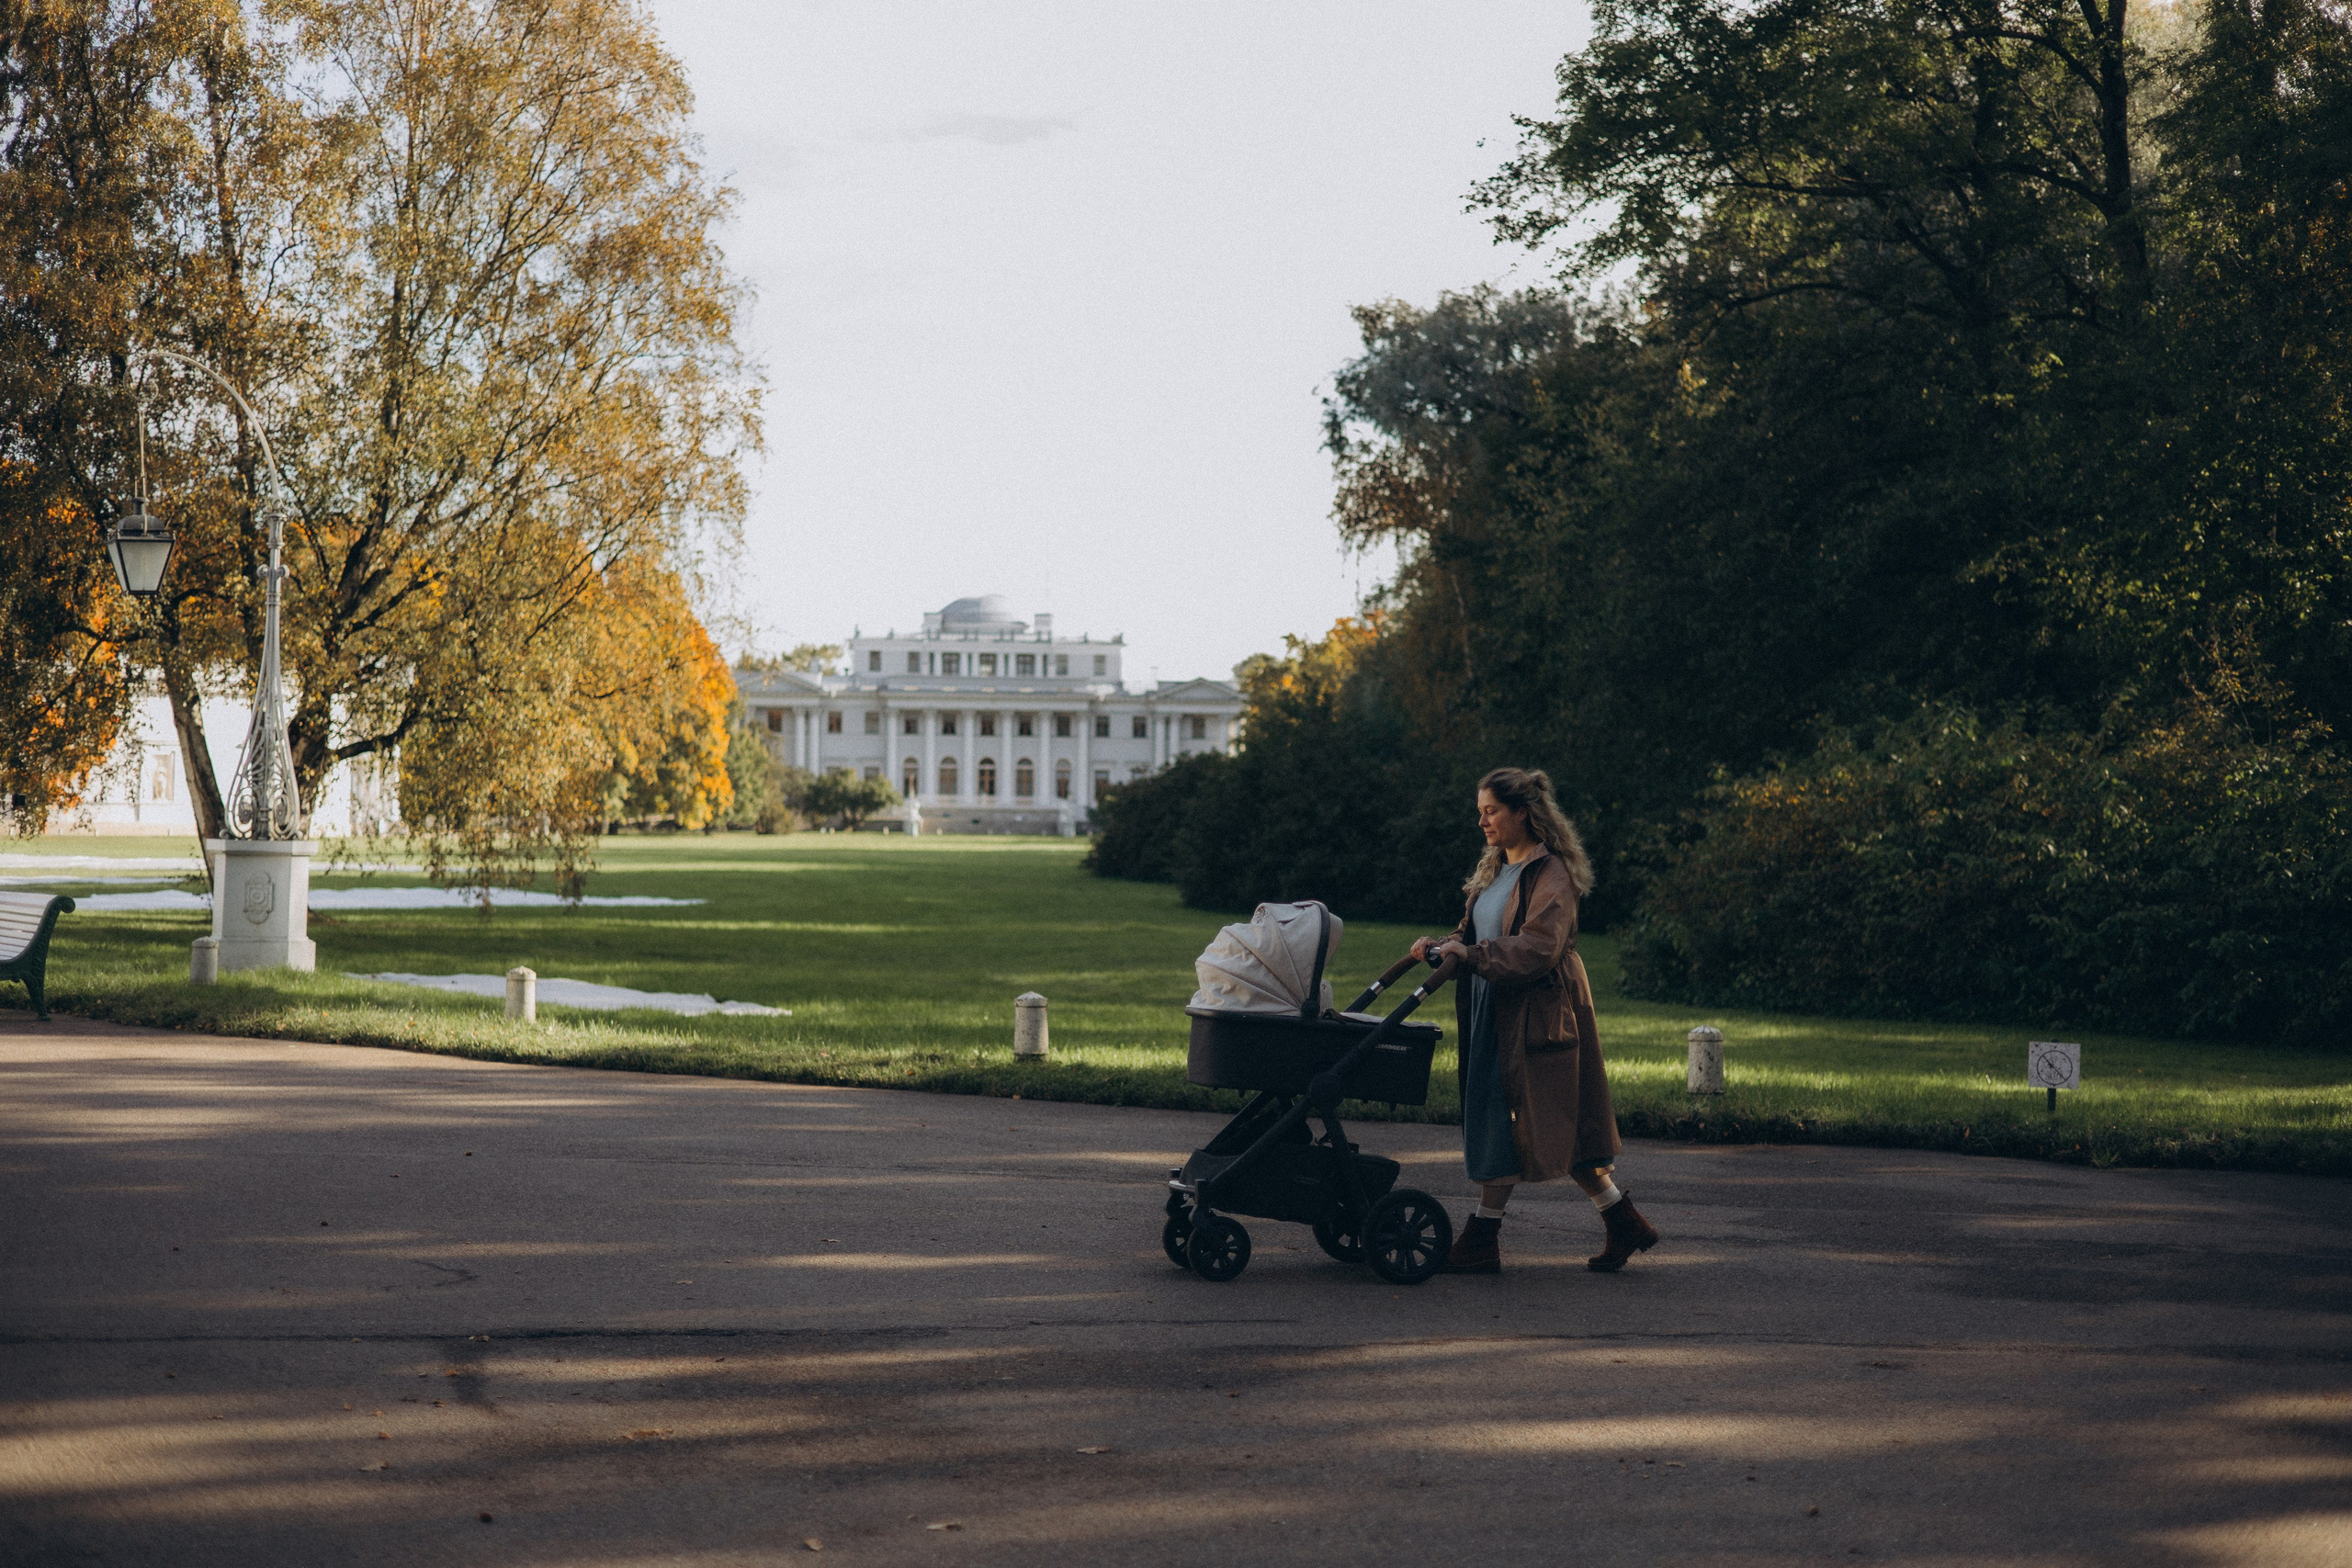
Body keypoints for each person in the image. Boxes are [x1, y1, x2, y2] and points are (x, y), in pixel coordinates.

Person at [1410, 766, 1657, 1275]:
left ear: (1523, 812)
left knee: (1530, 1115)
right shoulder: (1495, 870)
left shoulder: (1551, 874)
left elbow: (1538, 948)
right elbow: (1476, 933)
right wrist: (1441, 947)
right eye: (1480, 812)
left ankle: (1482, 1237)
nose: (1483, 821)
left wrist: (1474, 954)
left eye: (1492, 811)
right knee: (1552, 1121)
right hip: (1495, 1007)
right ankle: (1623, 1220)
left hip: (1538, 1012)